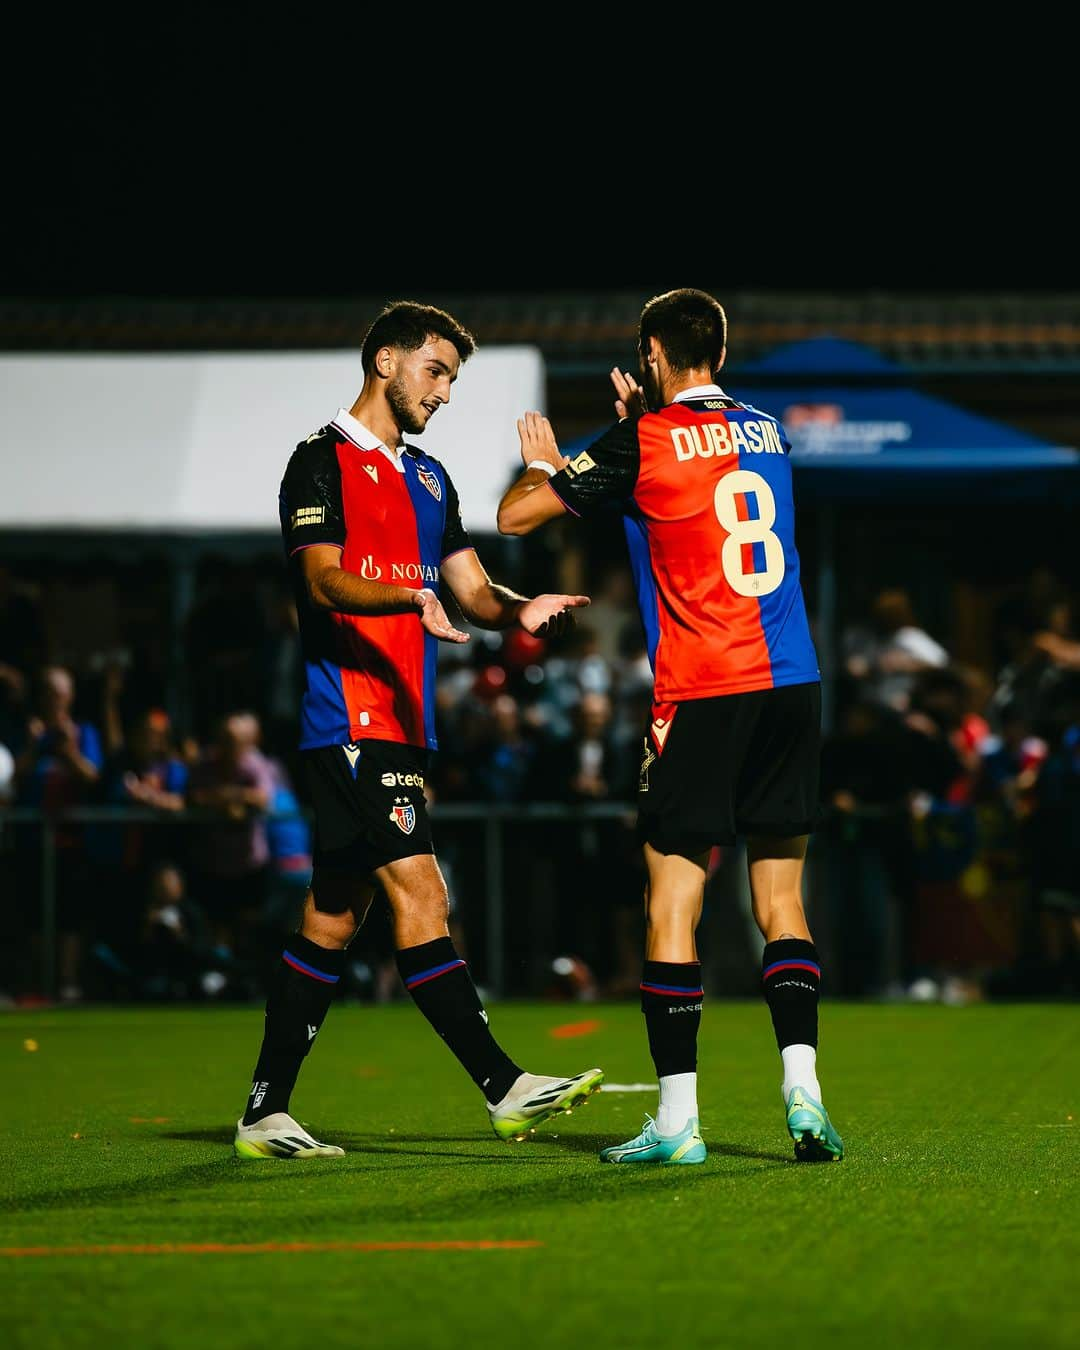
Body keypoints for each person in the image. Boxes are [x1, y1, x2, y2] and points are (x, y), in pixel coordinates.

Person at [234, 300, 603, 1160]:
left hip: (404, 726)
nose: (442, 393)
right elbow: (323, 582)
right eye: (434, 371)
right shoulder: (317, 463)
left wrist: (522, 608)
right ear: (385, 360)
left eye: (452, 380)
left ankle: (263, 1111)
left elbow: (471, 589)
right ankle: (503, 1087)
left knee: (332, 918)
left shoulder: (431, 478)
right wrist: (410, 597)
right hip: (349, 719)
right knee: (422, 895)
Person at [498, 287, 843, 1165]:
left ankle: (679, 1122)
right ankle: (803, 1095)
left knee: (673, 899)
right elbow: (693, 490)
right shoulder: (769, 432)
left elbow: (516, 518)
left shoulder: (639, 441)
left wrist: (547, 464)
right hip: (792, 681)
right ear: (718, 355)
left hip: (703, 688)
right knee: (781, 901)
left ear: (651, 355)